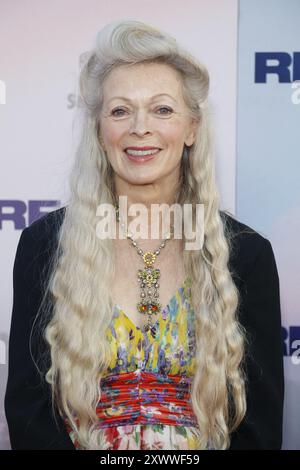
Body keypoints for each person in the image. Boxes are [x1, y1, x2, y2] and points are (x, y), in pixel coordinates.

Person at [5, 19, 284, 450]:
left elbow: (259, 428)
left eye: (162, 109)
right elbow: (27, 411)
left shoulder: (246, 255)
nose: (140, 127)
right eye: (120, 110)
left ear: (192, 128)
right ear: (100, 130)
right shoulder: (45, 244)